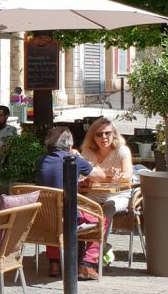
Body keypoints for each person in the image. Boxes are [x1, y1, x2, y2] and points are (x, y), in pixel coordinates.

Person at [35, 125, 102, 280]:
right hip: (70, 218)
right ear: (70, 146)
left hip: (43, 218)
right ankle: (87, 264)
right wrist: (79, 158)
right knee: (100, 219)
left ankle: (54, 263)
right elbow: (100, 175)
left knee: (53, 217)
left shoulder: (40, 161)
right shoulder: (74, 160)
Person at [80, 117, 135, 219]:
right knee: (78, 209)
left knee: (108, 209)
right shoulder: (87, 152)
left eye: (107, 133)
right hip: (94, 195)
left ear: (114, 134)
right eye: (99, 134)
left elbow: (127, 176)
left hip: (118, 196)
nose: (104, 137)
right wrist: (109, 176)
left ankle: (101, 235)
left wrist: (98, 177)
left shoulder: (122, 150)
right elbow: (83, 178)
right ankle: (84, 234)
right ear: (93, 137)